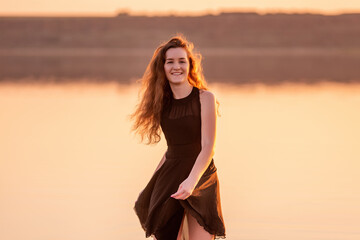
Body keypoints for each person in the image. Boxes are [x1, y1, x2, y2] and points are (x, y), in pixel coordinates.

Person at [129, 34, 226, 240]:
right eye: (170, 61)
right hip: (171, 176)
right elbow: (172, 149)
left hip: (200, 177)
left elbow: (208, 146)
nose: (176, 66)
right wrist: (151, 186)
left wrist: (191, 181)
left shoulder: (206, 98)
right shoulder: (161, 104)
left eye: (182, 61)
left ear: (190, 66)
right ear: (162, 67)